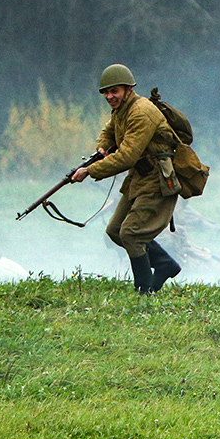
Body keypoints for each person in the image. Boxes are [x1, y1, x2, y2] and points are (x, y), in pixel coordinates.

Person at [71, 64, 184, 293]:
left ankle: (143, 292)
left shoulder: (141, 111)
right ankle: (164, 264)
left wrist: (90, 171)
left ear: (128, 89)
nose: (110, 96)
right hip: (139, 177)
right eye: (106, 92)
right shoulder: (122, 109)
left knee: (130, 234)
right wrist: (102, 147)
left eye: (115, 91)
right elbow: (109, 130)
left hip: (158, 178)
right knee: (115, 230)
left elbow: (126, 156)